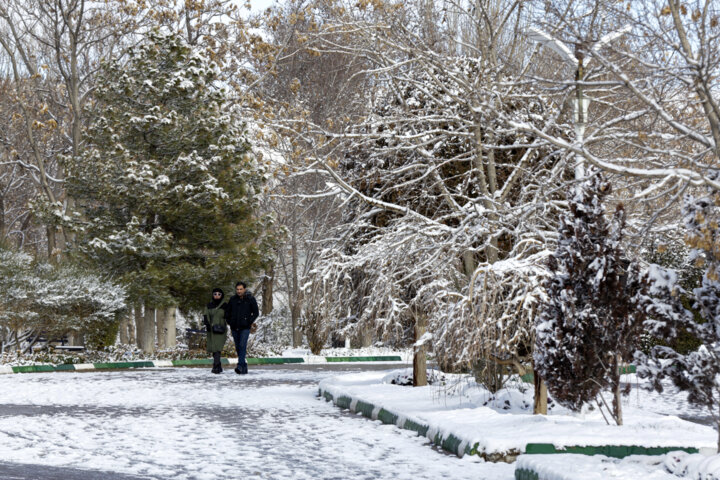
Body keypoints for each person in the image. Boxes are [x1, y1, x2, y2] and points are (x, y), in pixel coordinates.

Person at [225, 281, 259, 374]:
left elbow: (256, 313)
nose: (239, 291)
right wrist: (229, 321)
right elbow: (227, 312)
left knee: (242, 345)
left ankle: (239, 365)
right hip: (234, 327)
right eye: (237, 289)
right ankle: (244, 368)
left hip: (245, 327)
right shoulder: (232, 299)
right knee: (238, 347)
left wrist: (248, 321)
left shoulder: (250, 299)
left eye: (241, 289)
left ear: (244, 289)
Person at [203, 287, 228, 374]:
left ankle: (216, 366)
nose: (217, 296)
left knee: (218, 348)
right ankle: (218, 365)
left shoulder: (225, 305)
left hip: (221, 330)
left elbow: (228, 317)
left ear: (222, 295)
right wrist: (207, 324)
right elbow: (205, 315)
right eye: (215, 294)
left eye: (219, 294)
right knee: (214, 348)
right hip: (211, 330)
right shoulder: (209, 305)